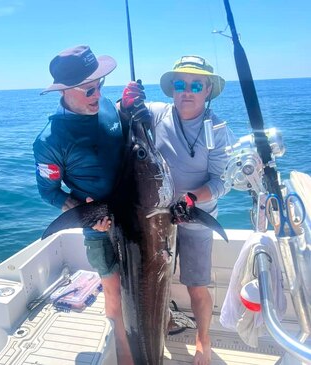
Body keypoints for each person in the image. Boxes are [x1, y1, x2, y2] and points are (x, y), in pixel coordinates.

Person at [121, 55, 232, 365]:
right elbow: (125, 119)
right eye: (181, 84)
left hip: (196, 215)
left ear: (208, 89)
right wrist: (127, 103)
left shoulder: (218, 129)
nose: (188, 91)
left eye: (196, 85)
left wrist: (191, 199)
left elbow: (222, 181)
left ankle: (203, 340)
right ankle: (165, 320)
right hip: (157, 219)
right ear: (172, 89)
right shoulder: (156, 113)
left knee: (196, 285)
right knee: (156, 279)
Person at [33, 45, 134, 365]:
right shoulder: (50, 140)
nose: (98, 93)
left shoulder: (105, 106)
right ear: (65, 91)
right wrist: (86, 215)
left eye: (101, 85)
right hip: (99, 226)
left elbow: (120, 131)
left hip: (135, 215)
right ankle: (125, 357)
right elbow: (49, 192)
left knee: (145, 279)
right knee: (114, 292)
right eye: (90, 88)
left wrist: (128, 105)